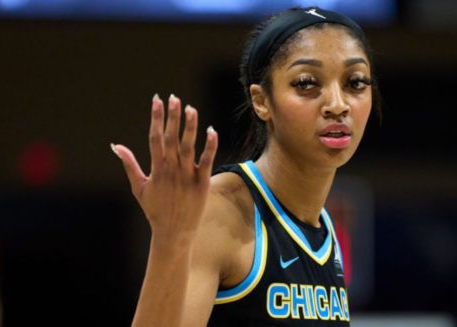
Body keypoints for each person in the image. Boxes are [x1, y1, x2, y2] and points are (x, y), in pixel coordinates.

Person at [111, 6, 380, 326]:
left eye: (355, 82)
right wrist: (171, 240)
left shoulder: (324, 228)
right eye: (307, 83)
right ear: (262, 101)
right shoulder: (217, 210)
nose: (337, 104)